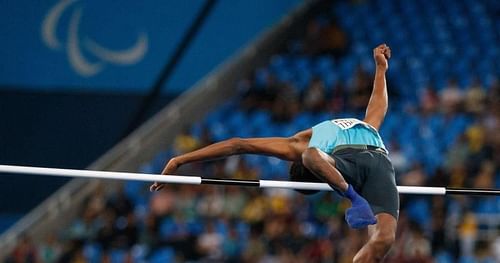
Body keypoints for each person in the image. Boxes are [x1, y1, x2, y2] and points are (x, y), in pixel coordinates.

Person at [151, 44, 398, 262]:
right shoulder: (306, 148)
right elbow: (240, 145)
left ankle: (354, 199)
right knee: (311, 156)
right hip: (362, 165)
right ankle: (354, 198)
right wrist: (180, 160)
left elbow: (239, 144)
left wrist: (179, 159)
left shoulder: (303, 144)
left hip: (371, 163)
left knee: (382, 241)